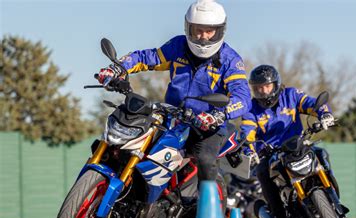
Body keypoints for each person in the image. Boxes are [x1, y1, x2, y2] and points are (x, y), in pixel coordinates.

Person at [97, 0, 251, 184]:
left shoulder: (230, 60)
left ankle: (208, 210)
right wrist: (117, 69)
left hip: (207, 125)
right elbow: (147, 58)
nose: (203, 37)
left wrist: (218, 115)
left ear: (219, 31)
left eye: (209, 31)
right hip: (171, 115)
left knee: (205, 159)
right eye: (198, 30)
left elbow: (243, 97)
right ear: (188, 28)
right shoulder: (178, 46)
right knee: (129, 140)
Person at [240, 64, 335, 218]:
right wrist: (249, 150)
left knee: (321, 154)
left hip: (298, 145)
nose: (264, 92)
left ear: (276, 85)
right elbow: (247, 132)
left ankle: (332, 195)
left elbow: (311, 103)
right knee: (262, 174)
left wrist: (324, 115)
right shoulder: (250, 109)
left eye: (267, 87)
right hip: (270, 155)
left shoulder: (291, 95)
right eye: (259, 88)